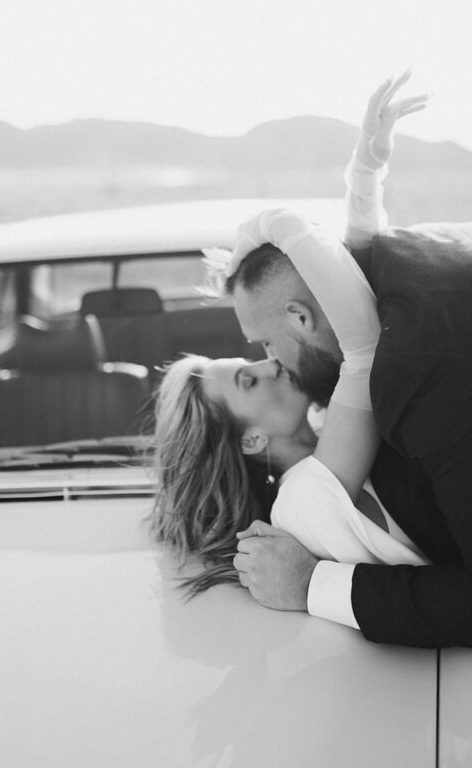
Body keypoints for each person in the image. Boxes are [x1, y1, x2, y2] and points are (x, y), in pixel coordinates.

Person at [228, 143, 472, 670]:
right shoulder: (397, 266)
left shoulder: (420, 369)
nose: (271, 362)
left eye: (265, 343)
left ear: (300, 319)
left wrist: (310, 583)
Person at [151, 73, 427, 594]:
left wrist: (366, 176)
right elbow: (362, 345)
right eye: (248, 380)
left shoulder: (323, 426)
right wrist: (273, 225)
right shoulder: (301, 500)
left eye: (251, 361)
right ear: (252, 439)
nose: (270, 362)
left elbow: (351, 295)